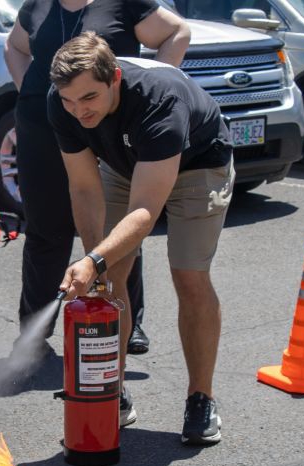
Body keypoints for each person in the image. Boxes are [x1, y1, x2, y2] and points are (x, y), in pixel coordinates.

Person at [52, 33, 234, 444]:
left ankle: (201, 398)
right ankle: (112, 391)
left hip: (198, 164)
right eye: (69, 101)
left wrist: (93, 261)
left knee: (189, 275)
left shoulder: (159, 101)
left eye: (89, 98)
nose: (79, 110)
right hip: (125, 165)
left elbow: (145, 211)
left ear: (114, 78)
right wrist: (95, 259)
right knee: (109, 277)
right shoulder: (62, 102)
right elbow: (83, 187)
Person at [3, 0, 190, 363]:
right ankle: (35, 330)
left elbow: (177, 32)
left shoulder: (124, 4)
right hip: (45, 126)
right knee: (45, 227)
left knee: (120, 226)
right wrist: (29, 86)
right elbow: (14, 45)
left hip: (109, 127)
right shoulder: (38, 5)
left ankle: (127, 320)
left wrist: (153, 82)